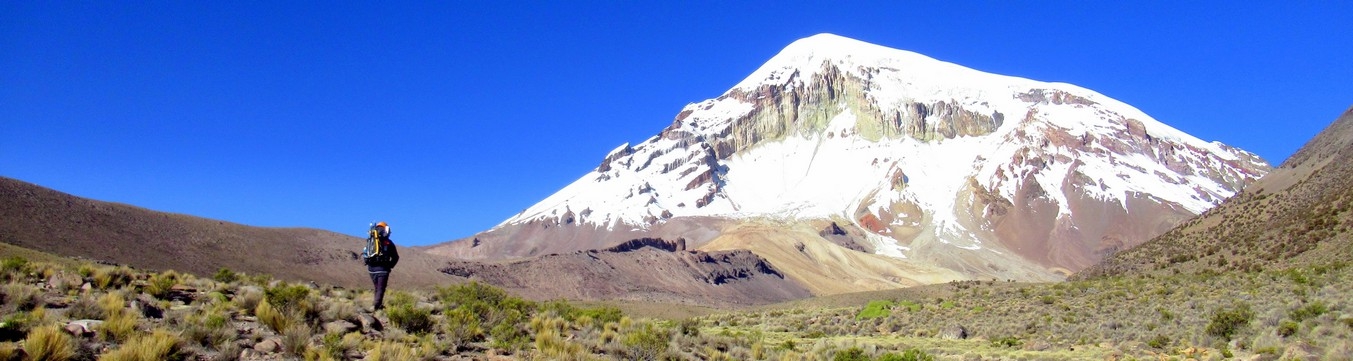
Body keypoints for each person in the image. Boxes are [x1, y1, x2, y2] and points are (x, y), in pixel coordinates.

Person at [361, 221, 399, 311]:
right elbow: (396, 257)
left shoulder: (370, 240)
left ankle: (377, 304)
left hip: (371, 268)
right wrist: (390, 266)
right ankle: (376, 306)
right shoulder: (388, 242)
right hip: (383, 268)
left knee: (377, 287)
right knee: (381, 288)